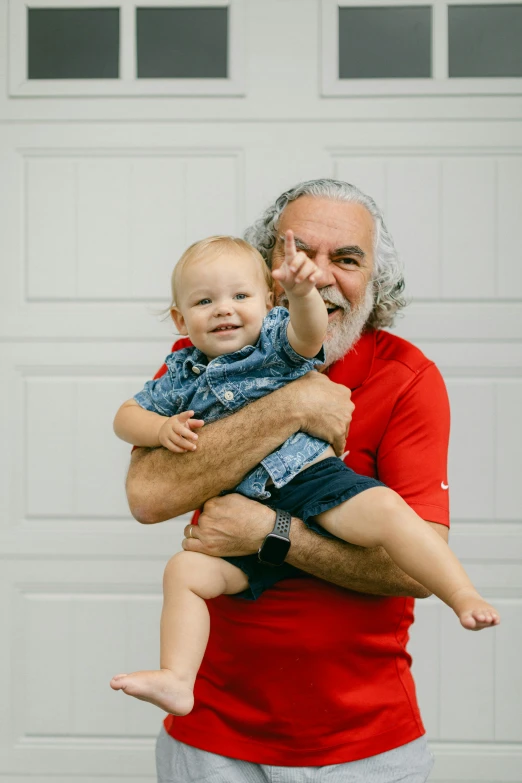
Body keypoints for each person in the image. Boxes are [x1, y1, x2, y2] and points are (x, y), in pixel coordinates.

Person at [123, 179, 466, 781]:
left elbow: (417, 568)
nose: (320, 274)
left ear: (374, 282)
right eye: (300, 252)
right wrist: (292, 407)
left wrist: (271, 533)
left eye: (347, 259)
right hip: (211, 736)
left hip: (364, 745)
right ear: (268, 272)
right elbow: (148, 497)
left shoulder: (409, 378)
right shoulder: (203, 358)